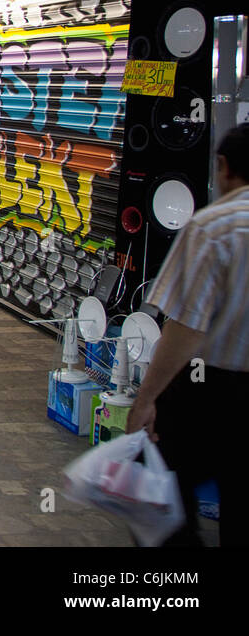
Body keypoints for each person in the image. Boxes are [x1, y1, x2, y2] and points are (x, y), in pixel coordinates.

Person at [126, 123, 249, 547]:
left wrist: (146, 399)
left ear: (223, 167)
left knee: (167, 496)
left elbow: (185, 327)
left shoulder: (213, 227)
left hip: (210, 389)